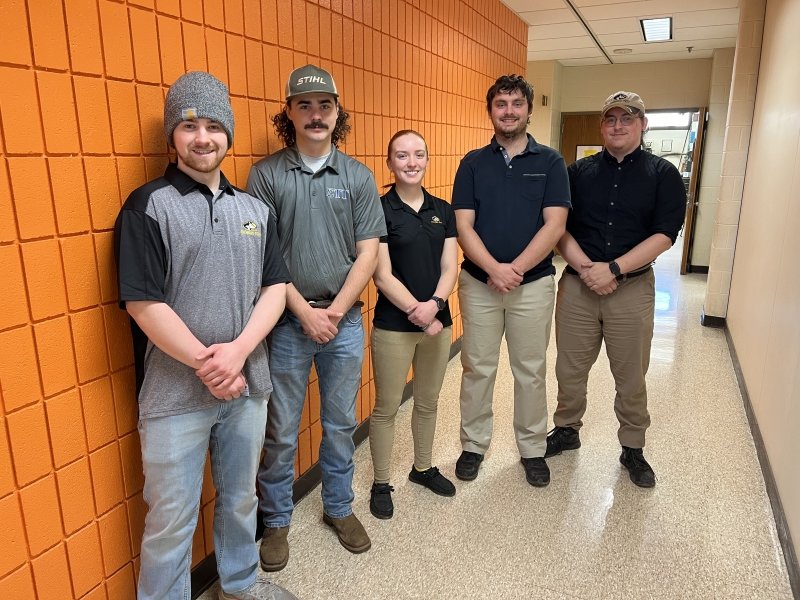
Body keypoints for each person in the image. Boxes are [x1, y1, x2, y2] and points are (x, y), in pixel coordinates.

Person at [114, 71, 296, 600]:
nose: (203, 136)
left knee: (240, 499)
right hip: (174, 397)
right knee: (171, 521)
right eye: (189, 124)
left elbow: (277, 288)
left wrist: (237, 355)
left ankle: (238, 585)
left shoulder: (255, 211)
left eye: (214, 125)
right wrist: (207, 363)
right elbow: (143, 304)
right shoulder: (147, 206)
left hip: (247, 389)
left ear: (229, 135)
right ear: (172, 135)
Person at [247, 65, 386, 570]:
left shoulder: (357, 176)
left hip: (344, 324)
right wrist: (306, 313)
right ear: (288, 112)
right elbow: (266, 256)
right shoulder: (265, 176)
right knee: (280, 429)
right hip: (286, 324)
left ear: (337, 113)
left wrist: (335, 312)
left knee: (340, 423)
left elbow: (368, 252)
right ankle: (277, 520)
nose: (315, 114)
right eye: (304, 106)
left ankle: (337, 507)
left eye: (324, 106)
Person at [546, 91, 686, 488]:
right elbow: (560, 228)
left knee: (630, 374)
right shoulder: (578, 173)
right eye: (611, 120)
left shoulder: (663, 175)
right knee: (569, 369)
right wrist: (585, 268)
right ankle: (567, 429)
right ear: (602, 126)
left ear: (643, 124)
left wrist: (613, 269)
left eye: (627, 119)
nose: (618, 126)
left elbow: (665, 235)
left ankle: (633, 447)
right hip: (578, 287)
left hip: (632, 289)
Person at [452, 74, 571, 488]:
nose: (508, 111)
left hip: (533, 284)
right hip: (478, 284)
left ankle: (533, 449)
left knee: (530, 369)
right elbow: (463, 227)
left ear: (528, 110)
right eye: (500, 104)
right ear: (490, 111)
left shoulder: (551, 163)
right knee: (477, 368)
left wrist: (514, 269)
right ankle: (473, 444)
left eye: (516, 103)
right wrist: (493, 270)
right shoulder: (472, 163)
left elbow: (555, 225)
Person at [367, 130, 459, 519]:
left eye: (418, 155)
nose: (411, 162)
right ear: (389, 162)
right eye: (401, 156)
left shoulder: (443, 209)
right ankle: (381, 482)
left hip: (439, 325)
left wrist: (436, 307)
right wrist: (418, 313)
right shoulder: (379, 210)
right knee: (387, 407)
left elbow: (450, 265)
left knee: (428, 401)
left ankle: (422, 468)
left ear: (426, 159)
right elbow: (382, 275)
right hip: (393, 326)